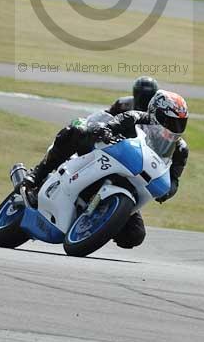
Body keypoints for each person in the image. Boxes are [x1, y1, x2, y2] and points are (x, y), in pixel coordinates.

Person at [21, 90, 189, 250]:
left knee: (134, 235)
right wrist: (107, 129)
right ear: (154, 111)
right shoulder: (138, 117)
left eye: (179, 123)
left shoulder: (180, 149)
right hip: (104, 157)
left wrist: (168, 192)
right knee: (76, 130)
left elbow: (174, 179)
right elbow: (120, 120)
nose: (173, 126)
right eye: (168, 120)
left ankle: (99, 223)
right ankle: (37, 175)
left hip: (134, 180)